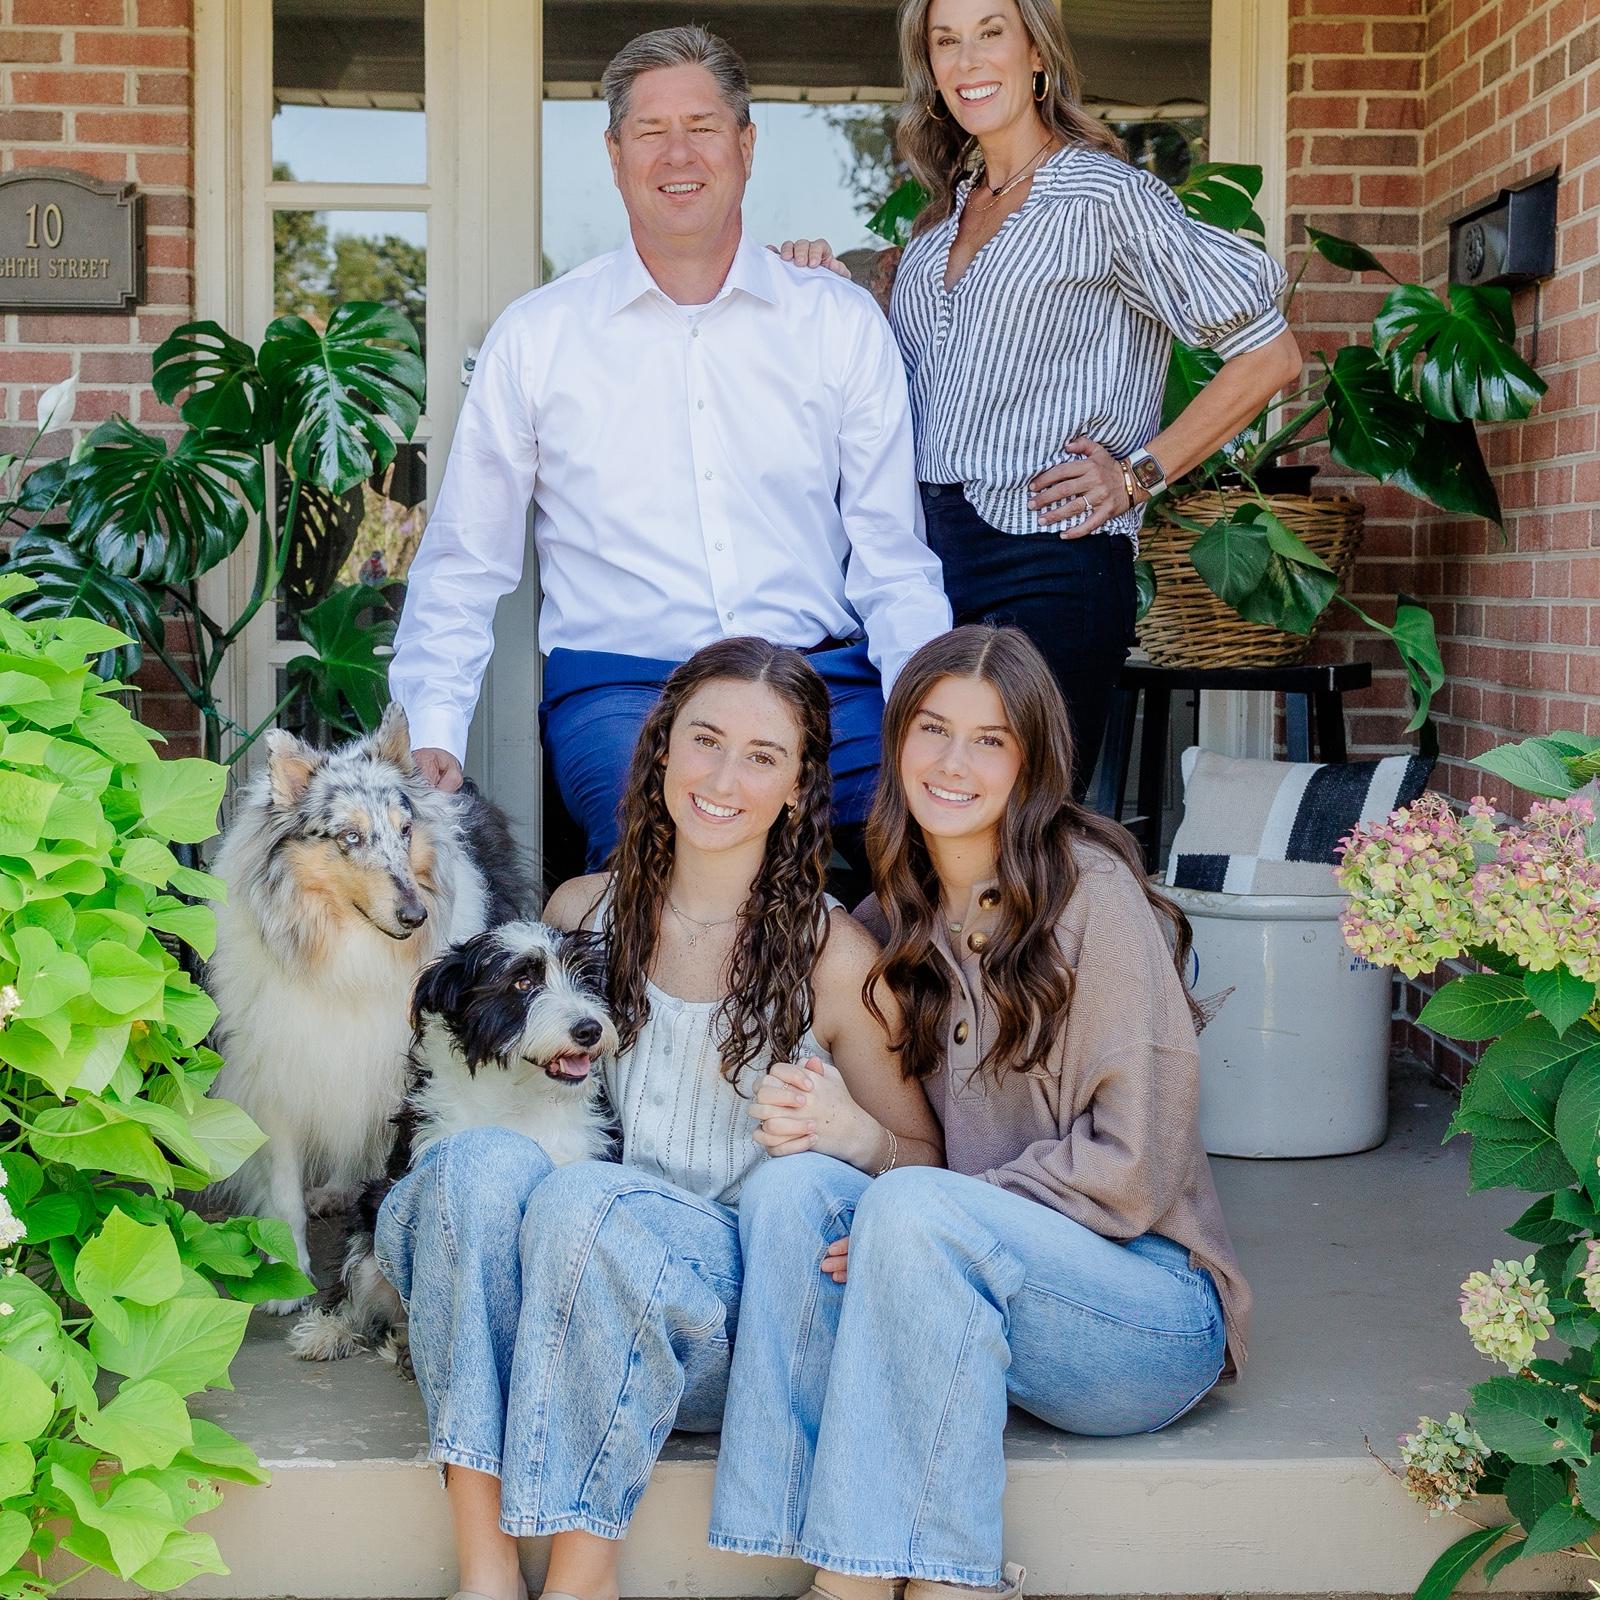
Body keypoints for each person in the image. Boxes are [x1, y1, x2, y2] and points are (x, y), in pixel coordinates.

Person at [374, 636, 943, 1600]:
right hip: (559, 1301)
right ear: (662, 749)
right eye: (705, 741)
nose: (722, 779)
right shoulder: (581, 915)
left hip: (715, 1318)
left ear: (799, 787)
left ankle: (582, 1583)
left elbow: (924, 1161)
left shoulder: (833, 958)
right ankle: (486, 1570)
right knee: (474, 1168)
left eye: (762, 757)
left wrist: (854, 1132)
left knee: (586, 1203)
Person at [708, 624, 1248, 1598]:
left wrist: (923, 1215)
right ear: (897, 741)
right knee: (793, 1193)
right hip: (978, 1281)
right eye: (933, 729)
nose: (954, 763)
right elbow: (913, 1174)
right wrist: (858, 1143)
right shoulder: (889, 922)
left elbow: (1133, 1168)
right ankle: (806, 1535)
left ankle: (906, 1584)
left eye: (990, 739)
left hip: (1144, 1314)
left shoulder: (1093, 898)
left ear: (1031, 763)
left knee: (912, 1212)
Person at [387, 25, 950, 868]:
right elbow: (464, 562)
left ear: (746, 147)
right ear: (615, 155)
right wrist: (434, 728)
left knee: (939, 836)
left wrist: (930, 715)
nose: (677, 154)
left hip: (822, 683)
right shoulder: (538, 337)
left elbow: (891, 557)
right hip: (625, 692)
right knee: (664, 857)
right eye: (650, 131)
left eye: (702, 127)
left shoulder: (835, 322)